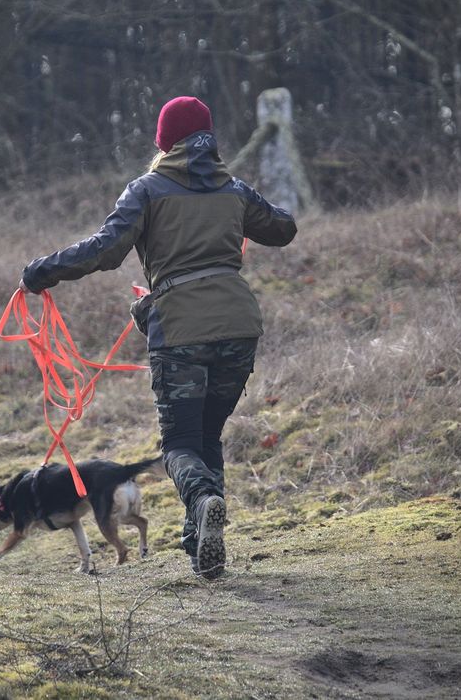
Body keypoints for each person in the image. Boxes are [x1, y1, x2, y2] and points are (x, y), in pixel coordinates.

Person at [19, 96, 297, 578]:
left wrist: (40, 273)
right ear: (210, 138)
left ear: (165, 142)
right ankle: (205, 548)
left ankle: (204, 502)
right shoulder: (234, 189)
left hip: (181, 332)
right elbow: (283, 229)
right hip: (239, 329)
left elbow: (104, 251)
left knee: (179, 445)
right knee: (206, 437)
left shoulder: (147, 190)